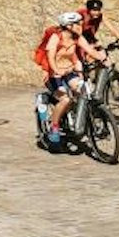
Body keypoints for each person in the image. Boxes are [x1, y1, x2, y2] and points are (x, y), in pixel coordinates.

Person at [40, 12, 105, 143]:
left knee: (84, 90)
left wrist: (102, 58)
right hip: (54, 75)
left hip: (69, 71)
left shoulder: (77, 37)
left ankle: (81, 119)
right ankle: (54, 127)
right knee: (65, 100)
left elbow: (90, 50)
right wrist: (56, 70)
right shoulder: (56, 37)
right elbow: (50, 57)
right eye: (77, 23)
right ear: (68, 26)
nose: (80, 25)